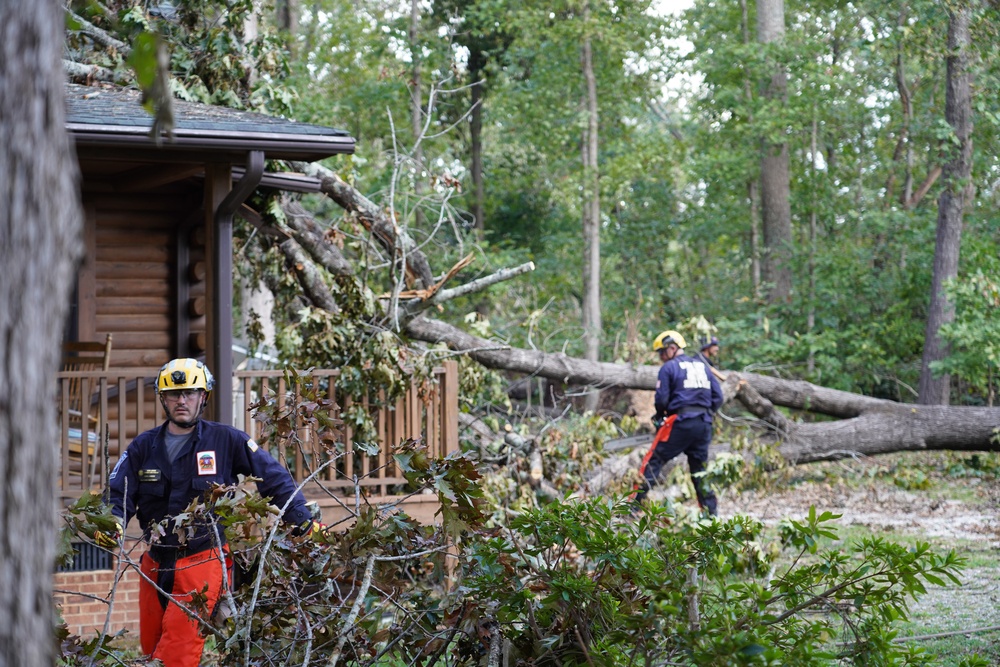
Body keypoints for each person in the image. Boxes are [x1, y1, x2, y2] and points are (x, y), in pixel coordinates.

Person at [95, 358, 321, 667]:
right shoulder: (142, 448)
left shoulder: (227, 440)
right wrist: (111, 524)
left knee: (177, 653)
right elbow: (118, 493)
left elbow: (273, 476)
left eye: (190, 392)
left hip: (202, 561)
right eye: (174, 394)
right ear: (163, 399)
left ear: (204, 397)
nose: (182, 400)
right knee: (151, 649)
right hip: (154, 562)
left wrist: (300, 515)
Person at [635, 330, 724, 515]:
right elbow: (718, 397)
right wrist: (706, 413)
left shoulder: (669, 368)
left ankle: (632, 506)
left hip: (680, 421)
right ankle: (711, 515)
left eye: (662, 352)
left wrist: (661, 415)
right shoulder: (702, 366)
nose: (661, 357)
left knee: (654, 460)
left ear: (672, 348)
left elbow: (661, 399)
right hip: (704, 423)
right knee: (700, 469)